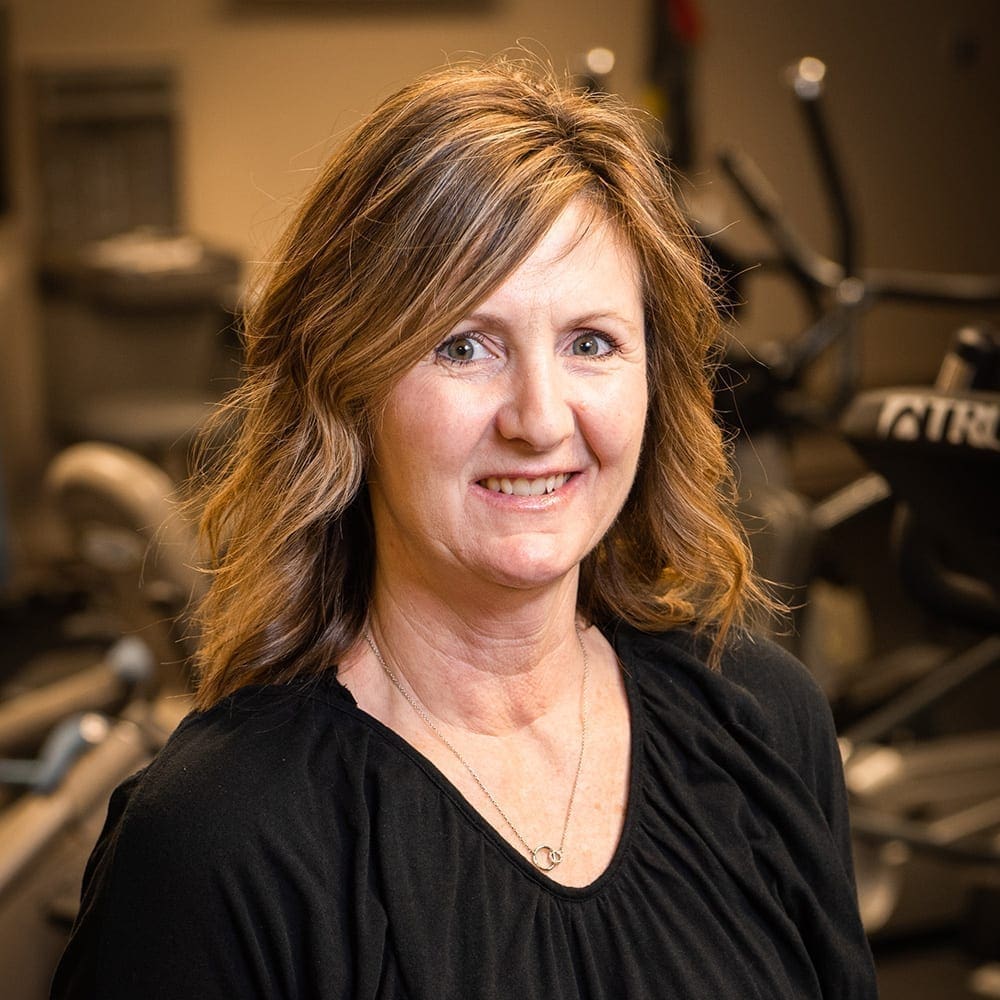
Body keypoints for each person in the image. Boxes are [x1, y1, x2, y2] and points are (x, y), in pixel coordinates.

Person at [51, 56, 877, 999]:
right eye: (464, 345)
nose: (540, 418)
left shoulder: (767, 722)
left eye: (591, 343)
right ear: (349, 386)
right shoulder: (218, 840)